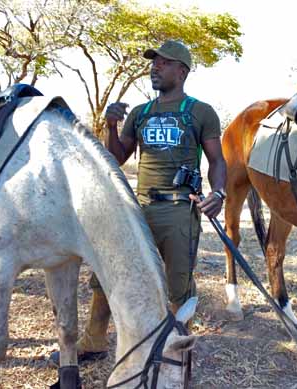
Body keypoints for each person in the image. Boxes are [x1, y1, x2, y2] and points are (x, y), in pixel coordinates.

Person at [50, 40, 227, 365]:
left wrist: (218, 193)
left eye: (163, 62)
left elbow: (217, 160)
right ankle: (94, 340)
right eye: (153, 62)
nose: (154, 67)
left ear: (182, 70)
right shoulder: (141, 113)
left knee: (179, 284)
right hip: (138, 208)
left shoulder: (200, 112)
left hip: (179, 209)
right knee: (109, 272)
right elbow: (116, 157)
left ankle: (176, 349)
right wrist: (112, 126)